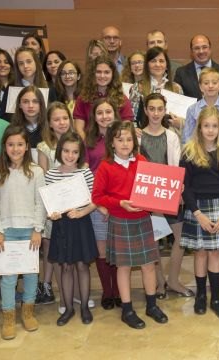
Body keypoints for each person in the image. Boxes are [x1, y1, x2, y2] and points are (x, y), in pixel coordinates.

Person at [92, 121, 168, 329]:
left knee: (148, 265)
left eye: (128, 139)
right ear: (112, 143)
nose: (125, 143)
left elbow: (154, 187)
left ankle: (151, 305)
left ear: (134, 142)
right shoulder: (106, 166)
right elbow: (97, 196)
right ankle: (127, 309)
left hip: (143, 220)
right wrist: (120, 203)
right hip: (120, 221)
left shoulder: (141, 161)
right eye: (119, 139)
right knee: (123, 267)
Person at [180, 106, 219, 320]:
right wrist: (197, 213)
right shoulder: (189, 151)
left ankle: (215, 298)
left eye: (214, 126)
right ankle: (201, 296)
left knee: (216, 253)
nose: (210, 130)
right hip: (198, 210)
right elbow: (185, 187)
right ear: (199, 127)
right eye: (206, 126)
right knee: (201, 252)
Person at [0, 125, 45, 340]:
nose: (15, 148)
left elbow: (40, 203)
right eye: (11, 144)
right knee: (9, 278)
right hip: (7, 232)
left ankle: (28, 312)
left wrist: (38, 229)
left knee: (31, 274)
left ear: (27, 146)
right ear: (4, 146)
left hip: (30, 231)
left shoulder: (36, 171)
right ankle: (8, 316)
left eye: (20, 144)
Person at [140, 93, 193, 298]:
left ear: (165, 110)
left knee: (180, 238)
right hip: (146, 197)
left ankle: (173, 279)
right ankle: (159, 282)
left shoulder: (172, 136)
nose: (155, 113)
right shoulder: (137, 136)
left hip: (168, 193)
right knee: (152, 240)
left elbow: (176, 165)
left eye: (159, 109)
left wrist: (178, 189)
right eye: (151, 109)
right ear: (145, 110)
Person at [46, 132, 98, 326]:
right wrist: (51, 214)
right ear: (60, 151)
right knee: (66, 267)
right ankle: (68, 308)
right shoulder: (51, 174)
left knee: (83, 266)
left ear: (80, 153)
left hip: (80, 224)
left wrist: (82, 212)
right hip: (61, 227)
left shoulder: (84, 173)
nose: (70, 155)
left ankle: (84, 306)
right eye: (66, 151)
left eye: (74, 152)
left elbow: (94, 200)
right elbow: (48, 203)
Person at [35, 102, 75, 306]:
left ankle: (72, 293)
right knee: (53, 249)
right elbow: (43, 179)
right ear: (49, 124)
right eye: (56, 119)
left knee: (72, 252)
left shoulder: (77, 143)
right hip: (54, 210)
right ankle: (55, 290)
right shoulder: (44, 147)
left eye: (65, 118)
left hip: (74, 208)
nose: (61, 122)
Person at [84, 98, 120, 310]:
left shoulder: (123, 138)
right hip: (97, 204)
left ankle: (118, 290)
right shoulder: (89, 142)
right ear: (94, 116)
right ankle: (108, 291)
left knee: (118, 250)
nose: (105, 116)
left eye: (108, 112)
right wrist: (98, 204)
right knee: (102, 250)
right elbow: (86, 175)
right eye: (100, 113)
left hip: (120, 202)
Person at [73, 55, 134, 139]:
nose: (102, 76)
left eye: (106, 72)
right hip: (89, 145)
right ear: (93, 74)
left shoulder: (122, 99)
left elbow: (127, 128)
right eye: (98, 72)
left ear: (113, 74)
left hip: (114, 146)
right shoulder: (83, 98)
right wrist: (86, 147)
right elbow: (79, 128)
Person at [182, 67, 219, 144]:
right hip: (198, 152)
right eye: (206, 83)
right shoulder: (192, 110)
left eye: (214, 83)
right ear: (200, 87)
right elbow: (187, 138)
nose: (210, 86)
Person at [174, 34, 219, 99]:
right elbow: (177, 99)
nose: (201, 51)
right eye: (197, 48)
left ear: (210, 49)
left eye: (204, 47)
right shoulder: (181, 73)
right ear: (191, 52)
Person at [11, 85, 47, 150]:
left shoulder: (50, 128)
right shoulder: (12, 129)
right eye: (26, 102)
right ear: (19, 105)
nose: (30, 106)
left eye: (35, 101)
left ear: (41, 104)